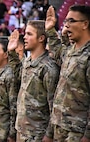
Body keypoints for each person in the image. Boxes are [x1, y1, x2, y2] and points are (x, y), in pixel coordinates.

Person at [8, 20, 59, 141]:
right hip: (22, 130)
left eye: (29, 34)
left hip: (37, 134)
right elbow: (17, 76)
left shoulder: (48, 67)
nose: (24, 37)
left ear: (41, 38)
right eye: (25, 33)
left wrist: (49, 134)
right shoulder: (28, 61)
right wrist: (11, 52)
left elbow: (54, 106)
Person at [45, 5, 90, 141]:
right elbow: (57, 51)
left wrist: (87, 135)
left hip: (77, 132)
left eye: (71, 21)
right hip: (59, 128)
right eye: (65, 22)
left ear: (85, 24)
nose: (66, 26)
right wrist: (50, 29)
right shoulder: (71, 51)